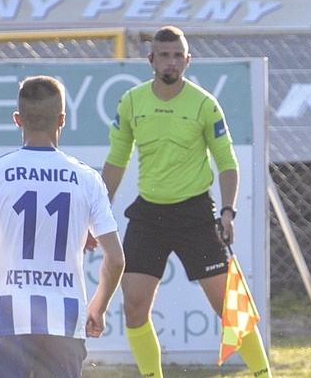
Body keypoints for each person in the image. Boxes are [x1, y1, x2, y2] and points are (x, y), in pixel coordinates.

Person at [101, 25, 271, 378]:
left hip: (196, 214)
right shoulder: (132, 101)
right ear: (151, 59)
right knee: (133, 307)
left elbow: (227, 162)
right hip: (148, 216)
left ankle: (263, 374)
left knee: (229, 307)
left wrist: (228, 212)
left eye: (178, 55)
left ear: (188, 59)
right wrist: (98, 215)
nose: (171, 61)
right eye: (164, 55)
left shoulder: (204, 104)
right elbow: (116, 160)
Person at [0, 75, 125, 378]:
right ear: (62, 119)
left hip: (6, 321)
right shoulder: (87, 179)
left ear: (17, 119)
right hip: (64, 321)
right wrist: (99, 306)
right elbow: (116, 258)